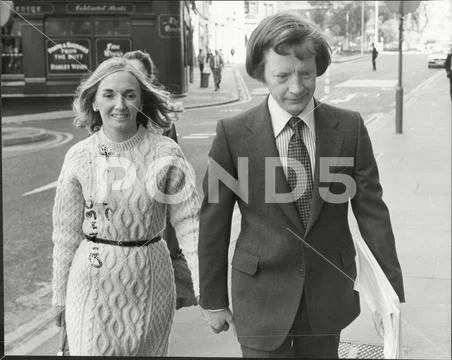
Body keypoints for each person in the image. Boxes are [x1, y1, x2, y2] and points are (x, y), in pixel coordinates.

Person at [198, 12, 405, 358]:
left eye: (306, 74)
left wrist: (390, 295)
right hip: (259, 299)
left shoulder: (349, 128)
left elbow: (372, 213)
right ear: (261, 73)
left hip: (327, 296)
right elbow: (213, 223)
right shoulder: (232, 135)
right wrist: (213, 300)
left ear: (317, 70)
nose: (296, 87)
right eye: (282, 76)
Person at [52, 56, 200, 356]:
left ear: (141, 101)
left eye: (129, 95)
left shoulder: (165, 152)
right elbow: (65, 234)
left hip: (151, 284)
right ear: (94, 102)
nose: (119, 104)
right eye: (109, 94)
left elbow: (190, 223)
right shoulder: (79, 157)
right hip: (90, 282)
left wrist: (205, 286)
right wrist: (59, 295)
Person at [123, 49, 197, 309]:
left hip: (155, 223)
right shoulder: (107, 123)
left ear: (148, 84)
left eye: (138, 77)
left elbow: (176, 187)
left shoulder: (163, 126)